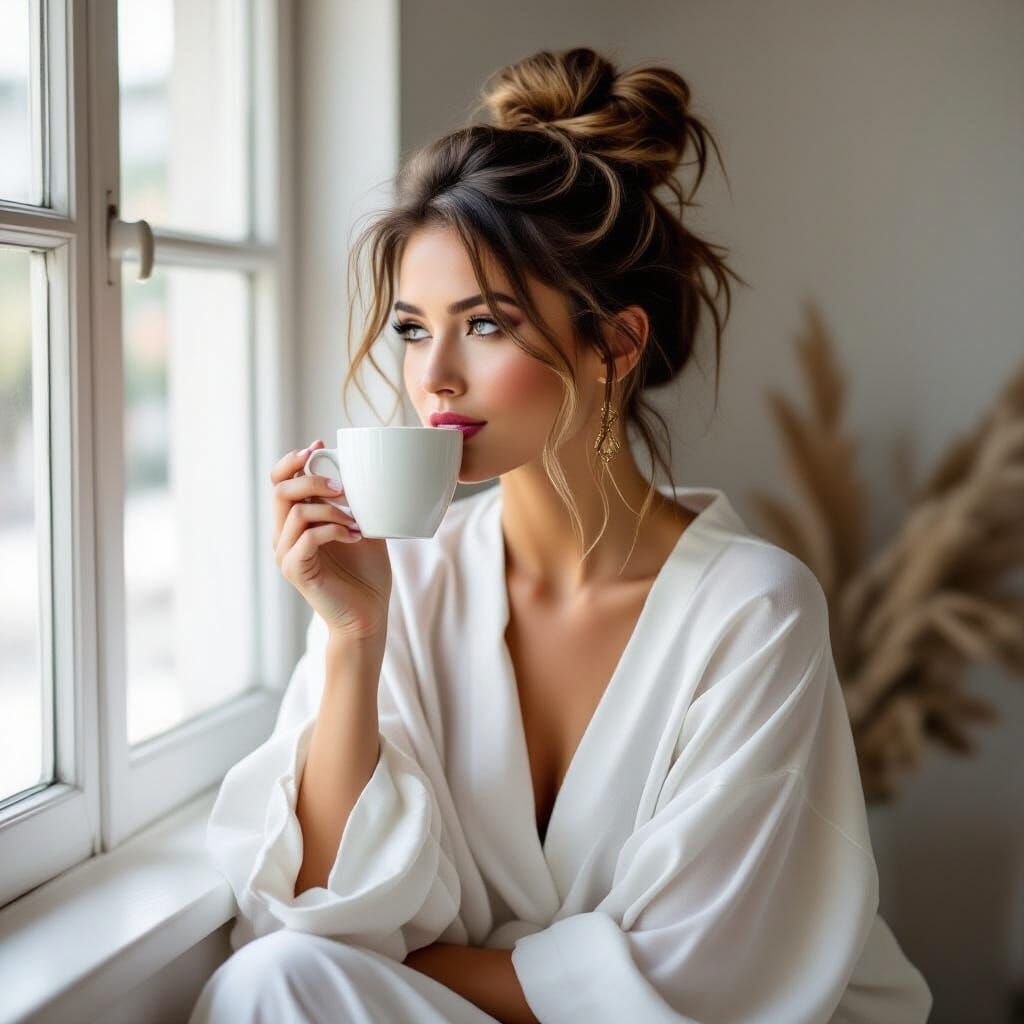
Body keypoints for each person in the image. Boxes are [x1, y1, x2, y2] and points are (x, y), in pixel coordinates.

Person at [188, 46, 933, 1024]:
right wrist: (354, 636)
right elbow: (313, 912)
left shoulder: (754, 610)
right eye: (412, 328)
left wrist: (411, 965)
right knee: (269, 981)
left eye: (484, 325)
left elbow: (698, 984)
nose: (433, 375)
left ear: (615, 345)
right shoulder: (407, 581)